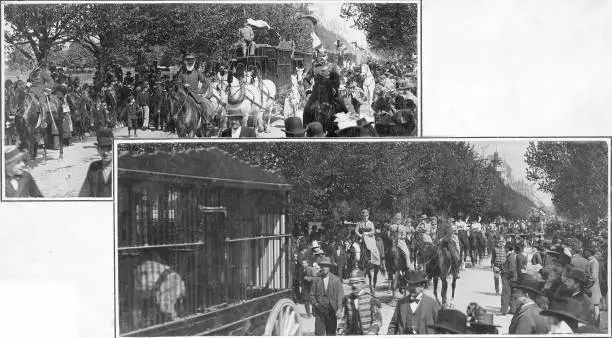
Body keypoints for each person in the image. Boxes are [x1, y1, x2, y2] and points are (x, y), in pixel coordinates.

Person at [387, 270, 441, 334]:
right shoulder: (401, 303)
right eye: (410, 284)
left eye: (415, 285)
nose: (411, 288)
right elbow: (393, 325)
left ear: (422, 286)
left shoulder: (432, 304)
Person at [337, 269, 382, 335]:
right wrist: (341, 328)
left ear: (363, 284)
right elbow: (345, 317)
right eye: (352, 283)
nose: (354, 285)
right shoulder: (348, 299)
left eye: (357, 283)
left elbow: (378, 320)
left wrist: (373, 331)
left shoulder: (371, 299)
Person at [310, 256, 344, 336]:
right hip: (319, 312)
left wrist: (339, 309)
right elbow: (311, 295)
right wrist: (316, 304)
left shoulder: (336, 280)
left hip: (331, 311)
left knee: (331, 334)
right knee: (319, 333)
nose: (324, 268)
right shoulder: (316, 279)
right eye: (322, 266)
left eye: (326, 266)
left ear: (329, 267)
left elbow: (340, 296)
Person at [79, 129, 113, 198]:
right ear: (98, 149)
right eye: (102, 148)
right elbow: (84, 193)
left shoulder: (121, 168)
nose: (105, 153)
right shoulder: (94, 167)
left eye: (109, 148)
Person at [27, 60, 55, 128]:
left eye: (31, 64)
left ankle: (43, 120)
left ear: (36, 64)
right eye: (30, 64)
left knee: (41, 103)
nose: (30, 65)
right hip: (31, 91)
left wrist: (47, 90)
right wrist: (27, 83)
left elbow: (51, 81)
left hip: (41, 92)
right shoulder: (31, 73)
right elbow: (29, 81)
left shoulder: (42, 72)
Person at [584, 245, 602, 326]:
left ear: (590, 252)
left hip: (592, 285)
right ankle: (594, 322)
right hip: (592, 284)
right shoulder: (590, 260)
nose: (585, 252)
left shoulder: (593, 261)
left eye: (586, 251)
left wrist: (588, 284)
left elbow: (594, 275)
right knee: (593, 304)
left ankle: (597, 322)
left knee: (595, 305)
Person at [501, 241, 517, 315]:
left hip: (508, 278)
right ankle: (513, 310)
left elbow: (511, 269)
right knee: (511, 294)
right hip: (511, 278)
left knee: (505, 294)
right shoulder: (511, 256)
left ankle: (504, 310)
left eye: (505, 247)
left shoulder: (510, 257)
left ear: (508, 248)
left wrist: (506, 275)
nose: (504, 248)